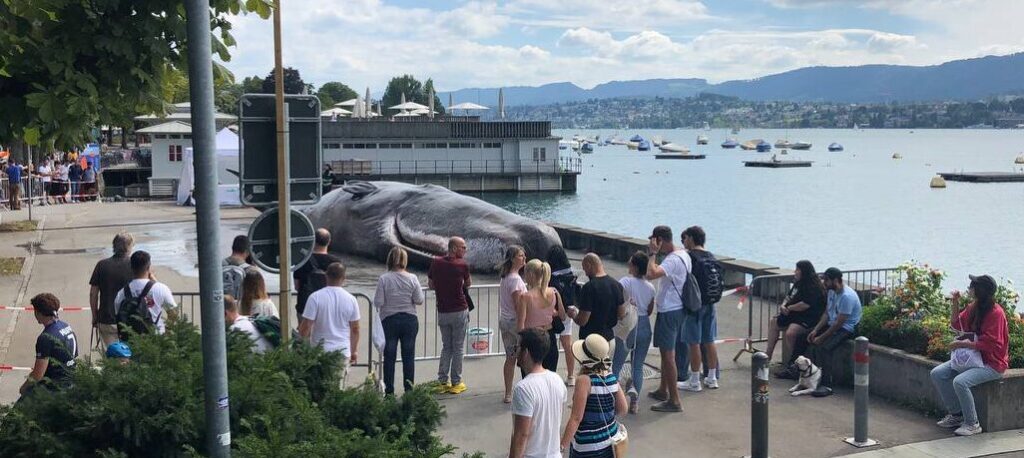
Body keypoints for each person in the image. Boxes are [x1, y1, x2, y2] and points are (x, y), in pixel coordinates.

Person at [930, 274, 1009, 437]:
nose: (969, 288)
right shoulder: (974, 307)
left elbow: (992, 344)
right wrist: (955, 302)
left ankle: (972, 424)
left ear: (979, 290)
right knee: (937, 373)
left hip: (992, 364)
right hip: (973, 358)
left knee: (960, 382)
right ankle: (956, 415)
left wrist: (962, 344)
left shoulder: (996, 313)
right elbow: (956, 324)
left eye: (972, 286)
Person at [561, 334, 627, 458]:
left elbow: (576, 418)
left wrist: (561, 446)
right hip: (610, 441)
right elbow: (623, 409)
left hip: (589, 445)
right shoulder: (612, 378)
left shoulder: (584, 381)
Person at [644, 225, 688, 412]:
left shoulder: (672, 260)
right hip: (677, 308)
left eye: (654, 241)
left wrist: (652, 254)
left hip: (670, 310)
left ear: (660, 240)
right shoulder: (683, 254)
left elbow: (650, 274)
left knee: (668, 356)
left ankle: (674, 400)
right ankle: (663, 390)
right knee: (665, 353)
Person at [299, 262, 361, 388]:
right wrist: (354, 350)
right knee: (338, 389)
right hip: (342, 351)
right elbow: (355, 329)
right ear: (344, 278)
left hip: (319, 351)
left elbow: (305, 327)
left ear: (326, 276)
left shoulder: (315, 297)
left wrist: (303, 347)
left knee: (319, 388)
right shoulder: (351, 300)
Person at [374, 247, 424, 395]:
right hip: (409, 320)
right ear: (405, 260)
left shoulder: (384, 279)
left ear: (389, 259)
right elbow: (419, 300)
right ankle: (409, 390)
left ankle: (389, 391)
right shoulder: (412, 278)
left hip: (389, 320)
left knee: (389, 356)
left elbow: (378, 302)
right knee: (408, 356)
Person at [510, 328, 567, 458]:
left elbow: (522, 435)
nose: (516, 351)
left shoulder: (523, 389)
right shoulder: (557, 380)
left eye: (517, 347)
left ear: (526, 352)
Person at [806, 267, 862, 397]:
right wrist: (815, 330)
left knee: (825, 348)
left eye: (826, 280)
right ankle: (811, 375)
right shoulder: (831, 292)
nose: (824, 283)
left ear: (836, 280)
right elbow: (827, 314)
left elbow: (839, 324)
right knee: (806, 337)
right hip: (833, 323)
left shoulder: (847, 296)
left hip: (847, 328)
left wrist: (821, 337)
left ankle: (827, 385)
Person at [766, 260, 827, 379]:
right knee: (774, 322)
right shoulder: (798, 283)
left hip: (809, 317)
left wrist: (789, 308)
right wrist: (783, 305)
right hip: (794, 314)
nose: (795, 272)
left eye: (797, 270)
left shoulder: (814, 287)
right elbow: (789, 297)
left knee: (791, 333)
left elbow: (805, 304)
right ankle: (768, 356)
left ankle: (795, 364)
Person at [679, 225, 721, 391]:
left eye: (685, 238)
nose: (684, 242)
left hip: (695, 305)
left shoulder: (690, 257)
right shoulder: (711, 256)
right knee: (709, 340)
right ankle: (712, 377)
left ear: (691, 238)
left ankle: (695, 380)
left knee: (694, 342)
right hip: (711, 303)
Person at [428, 236, 472, 395]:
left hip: (443, 310)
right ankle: (456, 382)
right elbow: (468, 283)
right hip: (459, 310)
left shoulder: (436, 262)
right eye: (463, 247)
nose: (465, 250)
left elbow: (431, 284)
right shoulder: (462, 265)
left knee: (446, 346)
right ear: (454, 248)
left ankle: (442, 381)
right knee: (458, 347)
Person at [614, 251, 655, 414]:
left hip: (629, 324)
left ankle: (614, 400)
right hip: (644, 324)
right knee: (637, 366)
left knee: (617, 364)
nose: (628, 265)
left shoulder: (626, 282)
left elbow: (617, 299)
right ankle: (634, 403)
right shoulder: (651, 287)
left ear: (636, 267)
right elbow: (650, 310)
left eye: (631, 263)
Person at [19, 293, 78, 397]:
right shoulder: (66, 326)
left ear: (38, 312)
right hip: (71, 381)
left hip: (54, 387)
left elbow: (38, 375)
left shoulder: (45, 338)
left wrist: (23, 388)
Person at [113, 250, 180, 335]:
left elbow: (118, 315)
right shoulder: (161, 288)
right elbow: (174, 312)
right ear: (148, 267)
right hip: (156, 337)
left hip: (131, 339)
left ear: (131, 268)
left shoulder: (122, 293)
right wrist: (167, 330)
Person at [517, 259, 567, 372]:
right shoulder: (553, 292)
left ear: (530, 274)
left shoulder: (525, 297)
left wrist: (519, 344)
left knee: (530, 375)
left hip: (532, 337)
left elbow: (520, 325)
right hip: (549, 336)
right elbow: (563, 316)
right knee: (549, 373)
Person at [89, 232, 135, 348]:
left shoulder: (101, 265)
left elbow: (93, 294)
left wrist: (95, 316)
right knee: (130, 354)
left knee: (112, 355)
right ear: (129, 246)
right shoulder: (135, 266)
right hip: (130, 320)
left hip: (106, 318)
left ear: (114, 246)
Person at [568, 253, 625, 342]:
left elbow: (583, 320)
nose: (586, 274)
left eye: (585, 269)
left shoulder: (589, 287)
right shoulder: (617, 285)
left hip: (591, 340)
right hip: (609, 337)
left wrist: (574, 315)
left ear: (589, 265)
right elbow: (621, 314)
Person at [546, 246, 579, 386]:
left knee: (550, 344)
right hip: (568, 310)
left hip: (553, 313)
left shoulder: (551, 276)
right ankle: (571, 375)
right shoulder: (570, 274)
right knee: (567, 344)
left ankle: (549, 374)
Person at [499, 245, 528, 402]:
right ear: (513, 259)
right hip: (515, 322)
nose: (524, 258)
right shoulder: (516, 280)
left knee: (510, 358)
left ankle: (508, 392)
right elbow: (519, 305)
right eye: (521, 256)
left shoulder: (505, 277)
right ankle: (525, 389)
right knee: (524, 357)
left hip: (505, 319)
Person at [294, 228, 342, 316]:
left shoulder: (302, 261)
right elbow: (338, 287)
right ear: (329, 242)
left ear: (313, 241)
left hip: (305, 306)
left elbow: (297, 286)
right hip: (329, 307)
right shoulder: (336, 262)